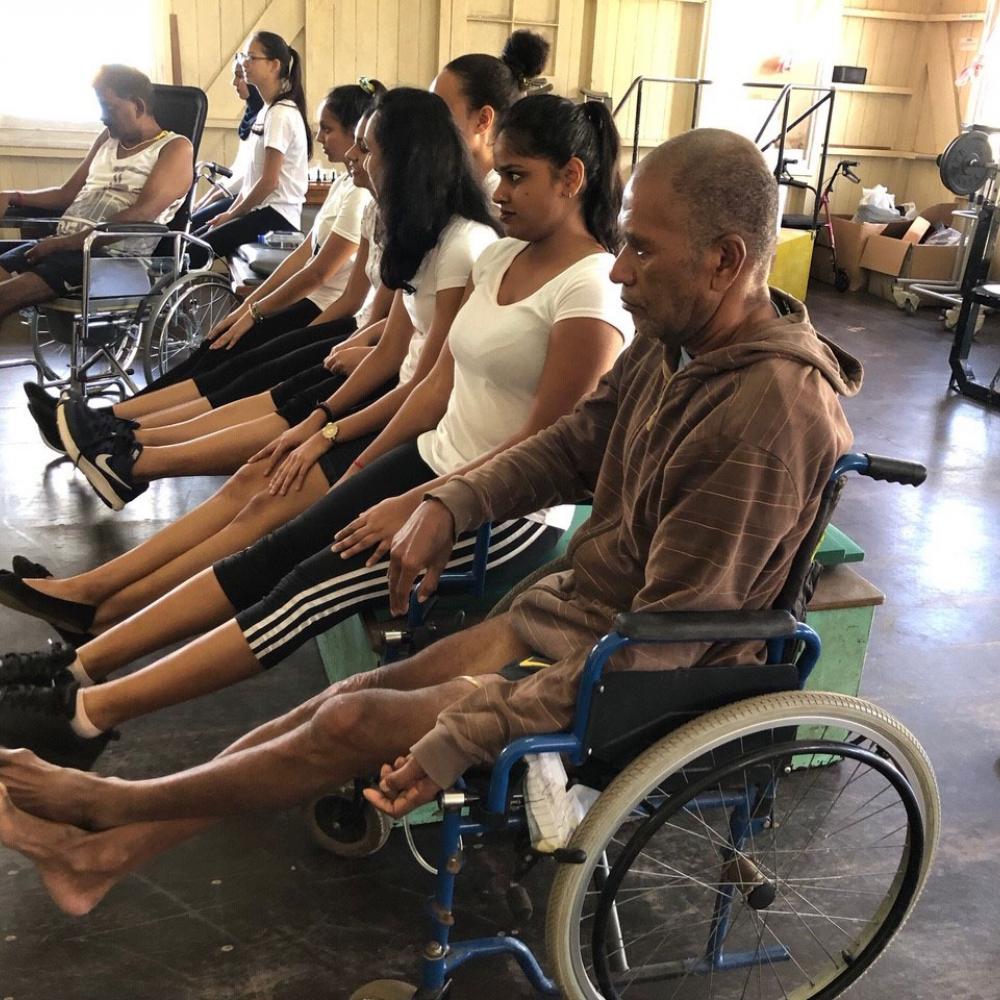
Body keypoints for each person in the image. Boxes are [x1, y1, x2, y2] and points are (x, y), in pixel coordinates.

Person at [0, 128, 863, 917]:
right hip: (576, 621)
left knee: (348, 726)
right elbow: (573, 444)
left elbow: (669, 637)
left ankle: (112, 809)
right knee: (352, 698)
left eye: (640, 247)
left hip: (642, 676)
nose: (623, 269)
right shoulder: (679, 343)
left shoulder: (767, 412)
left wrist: (470, 733)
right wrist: (447, 502)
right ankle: (107, 852)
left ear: (724, 261)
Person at [0, 93, 631, 758]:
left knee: (296, 588)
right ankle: (81, 663)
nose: (497, 188)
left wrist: (422, 501)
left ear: (571, 178)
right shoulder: (501, 258)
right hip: (432, 461)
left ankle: (85, 713)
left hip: (501, 511)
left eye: (517, 175)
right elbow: (435, 386)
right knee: (270, 549)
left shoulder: (589, 290)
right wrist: (360, 464)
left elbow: (539, 447)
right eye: (497, 171)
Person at [0, 65, 193, 324]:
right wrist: (15, 195)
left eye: (109, 107)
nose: (103, 116)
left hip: (113, 259)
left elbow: (143, 214)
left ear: (137, 105)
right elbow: (66, 194)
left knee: (4, 295)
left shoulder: (175, 148)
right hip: (67, 248)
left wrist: (63, 243)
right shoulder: (108, 139)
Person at [185, 31, 311, 267]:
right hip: (262, 209)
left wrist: (233, 215)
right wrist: (230, 211)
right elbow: (252, 180)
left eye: (252, 58)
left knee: (194, 252)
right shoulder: (267, 110)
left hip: (277, 215)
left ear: (274, 65)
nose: (244, 63)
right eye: (244, 56)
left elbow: (269, 183)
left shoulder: (281, 113)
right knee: (188, 236)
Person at [430, 29, 549, 193]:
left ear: (483, 120)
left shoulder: (499, 206)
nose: (429, 121)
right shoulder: (451, 185)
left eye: (441, 111)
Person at [188, 60, 264, 229]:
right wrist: (203, 200)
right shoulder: (250, 115)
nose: (234, 83)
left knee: (195, 226)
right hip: (236, 192)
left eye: (239, 76)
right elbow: (237, 170)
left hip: (246, 198)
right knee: (191, 219)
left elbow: (247, 177)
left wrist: (213, 198)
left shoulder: (265, 120)